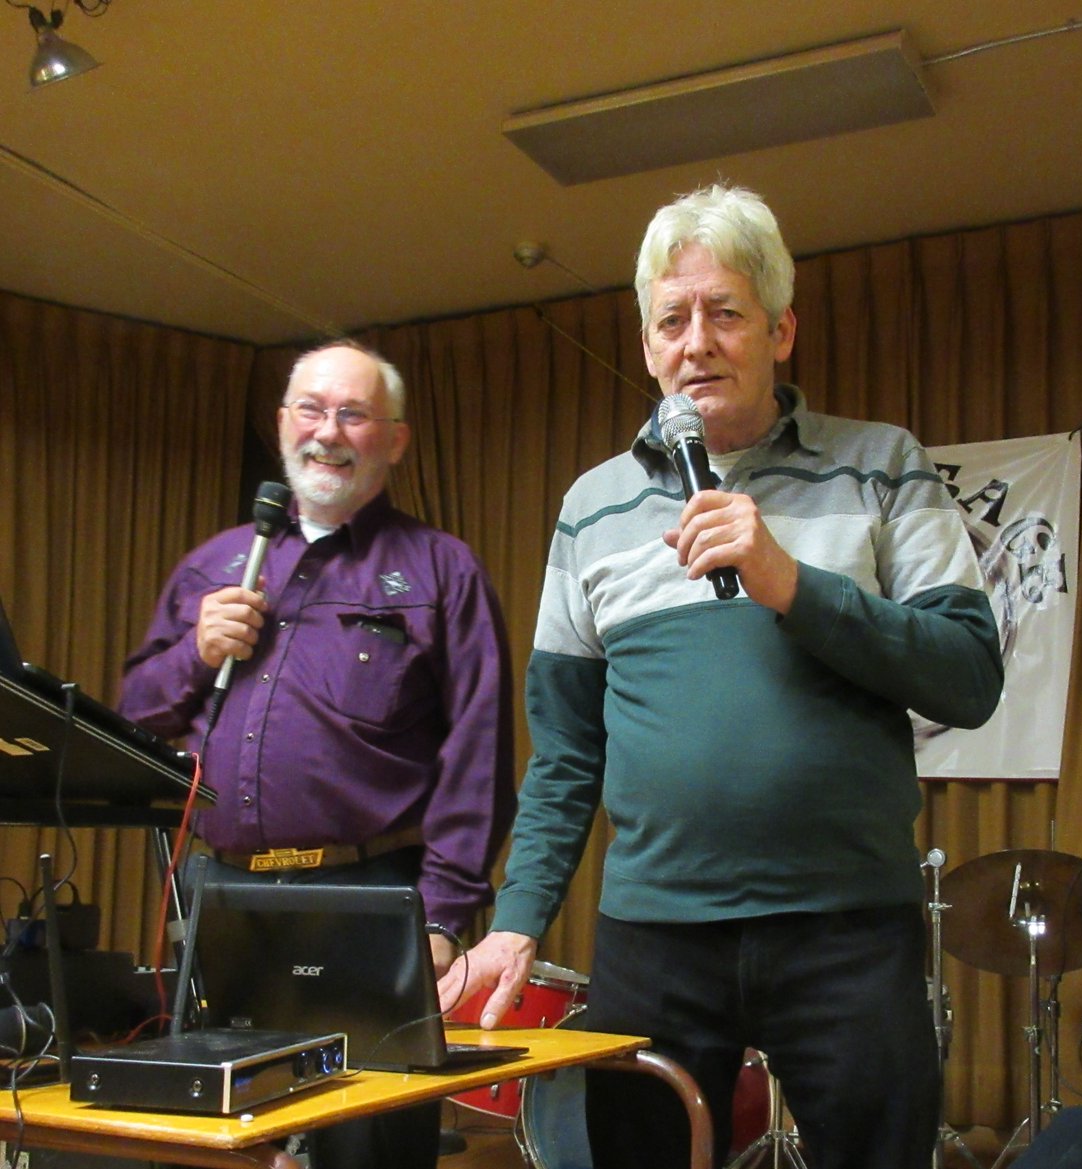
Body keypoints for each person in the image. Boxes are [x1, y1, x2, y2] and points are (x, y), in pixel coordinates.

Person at [437, 185, 1003, 1169]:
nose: (696, 342)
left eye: (726, 312)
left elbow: (967, 674)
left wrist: (792, 585)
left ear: (782, 330)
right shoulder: (591, 507)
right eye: (673, 319)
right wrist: (517, 920)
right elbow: (566, 750)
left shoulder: (881, 463)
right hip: (654, 934)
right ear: (648, 345)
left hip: (846, 928)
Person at [121, 340, 515, 1169]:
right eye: (310, 409)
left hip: (369, 899)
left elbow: (478, 758)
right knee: (221, 1142)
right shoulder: (214, 566)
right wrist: (195, 650)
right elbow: (135, 717)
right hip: (225, 897)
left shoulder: (442, 570)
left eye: (353, 413)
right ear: (281, 425)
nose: (327, 432)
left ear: (395, 440)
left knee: (368, 1144)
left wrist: (442, 918)